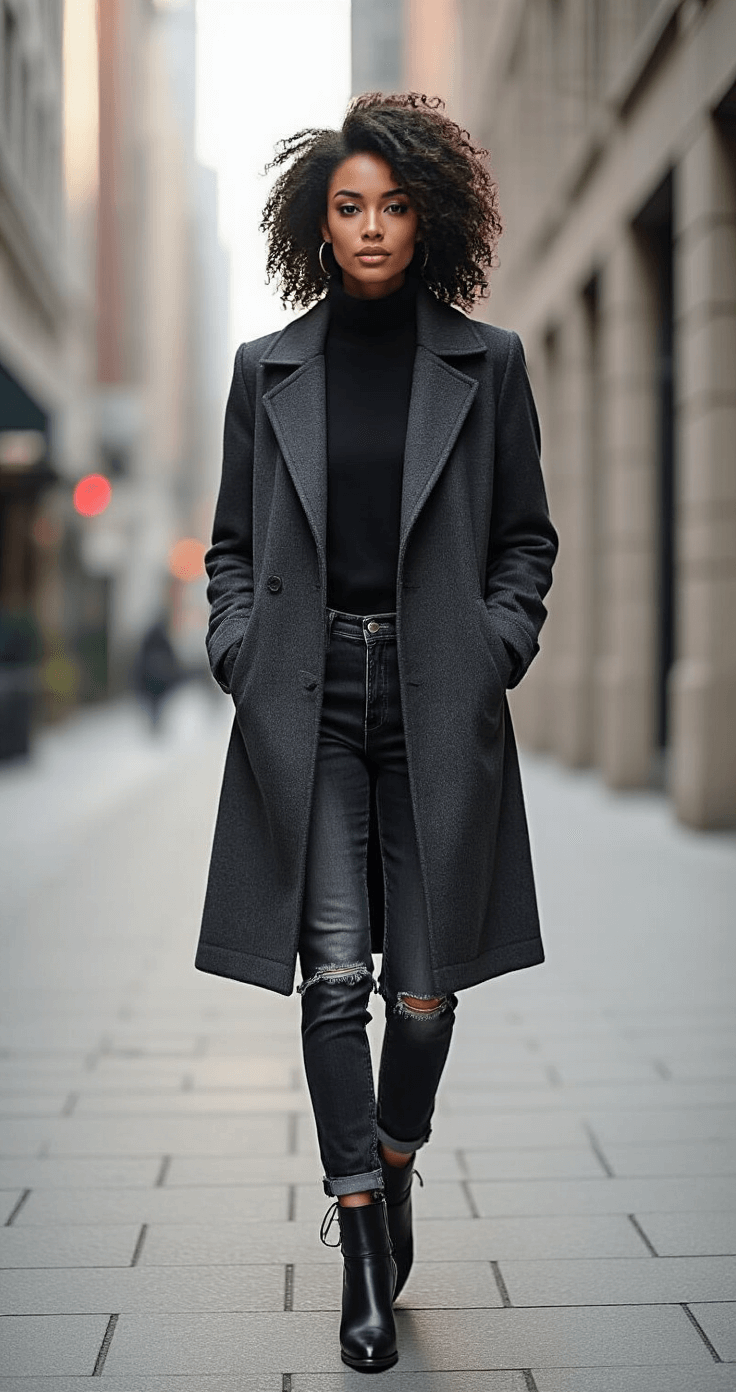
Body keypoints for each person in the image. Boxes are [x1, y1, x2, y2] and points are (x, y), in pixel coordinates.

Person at [196, 92, 558, 1373]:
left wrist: (491, 651)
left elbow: (525, 539)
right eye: (348, 206)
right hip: (306, 697)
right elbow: (232, 552)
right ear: (315, 219)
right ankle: (359, 1230)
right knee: (335, 976)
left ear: (431, 217)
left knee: (422, 990)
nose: (370, 227)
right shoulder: (265, 370)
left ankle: (393, 1161)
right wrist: (240, 650)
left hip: (432, 698)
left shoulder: (488, 361)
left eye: (394, 205)